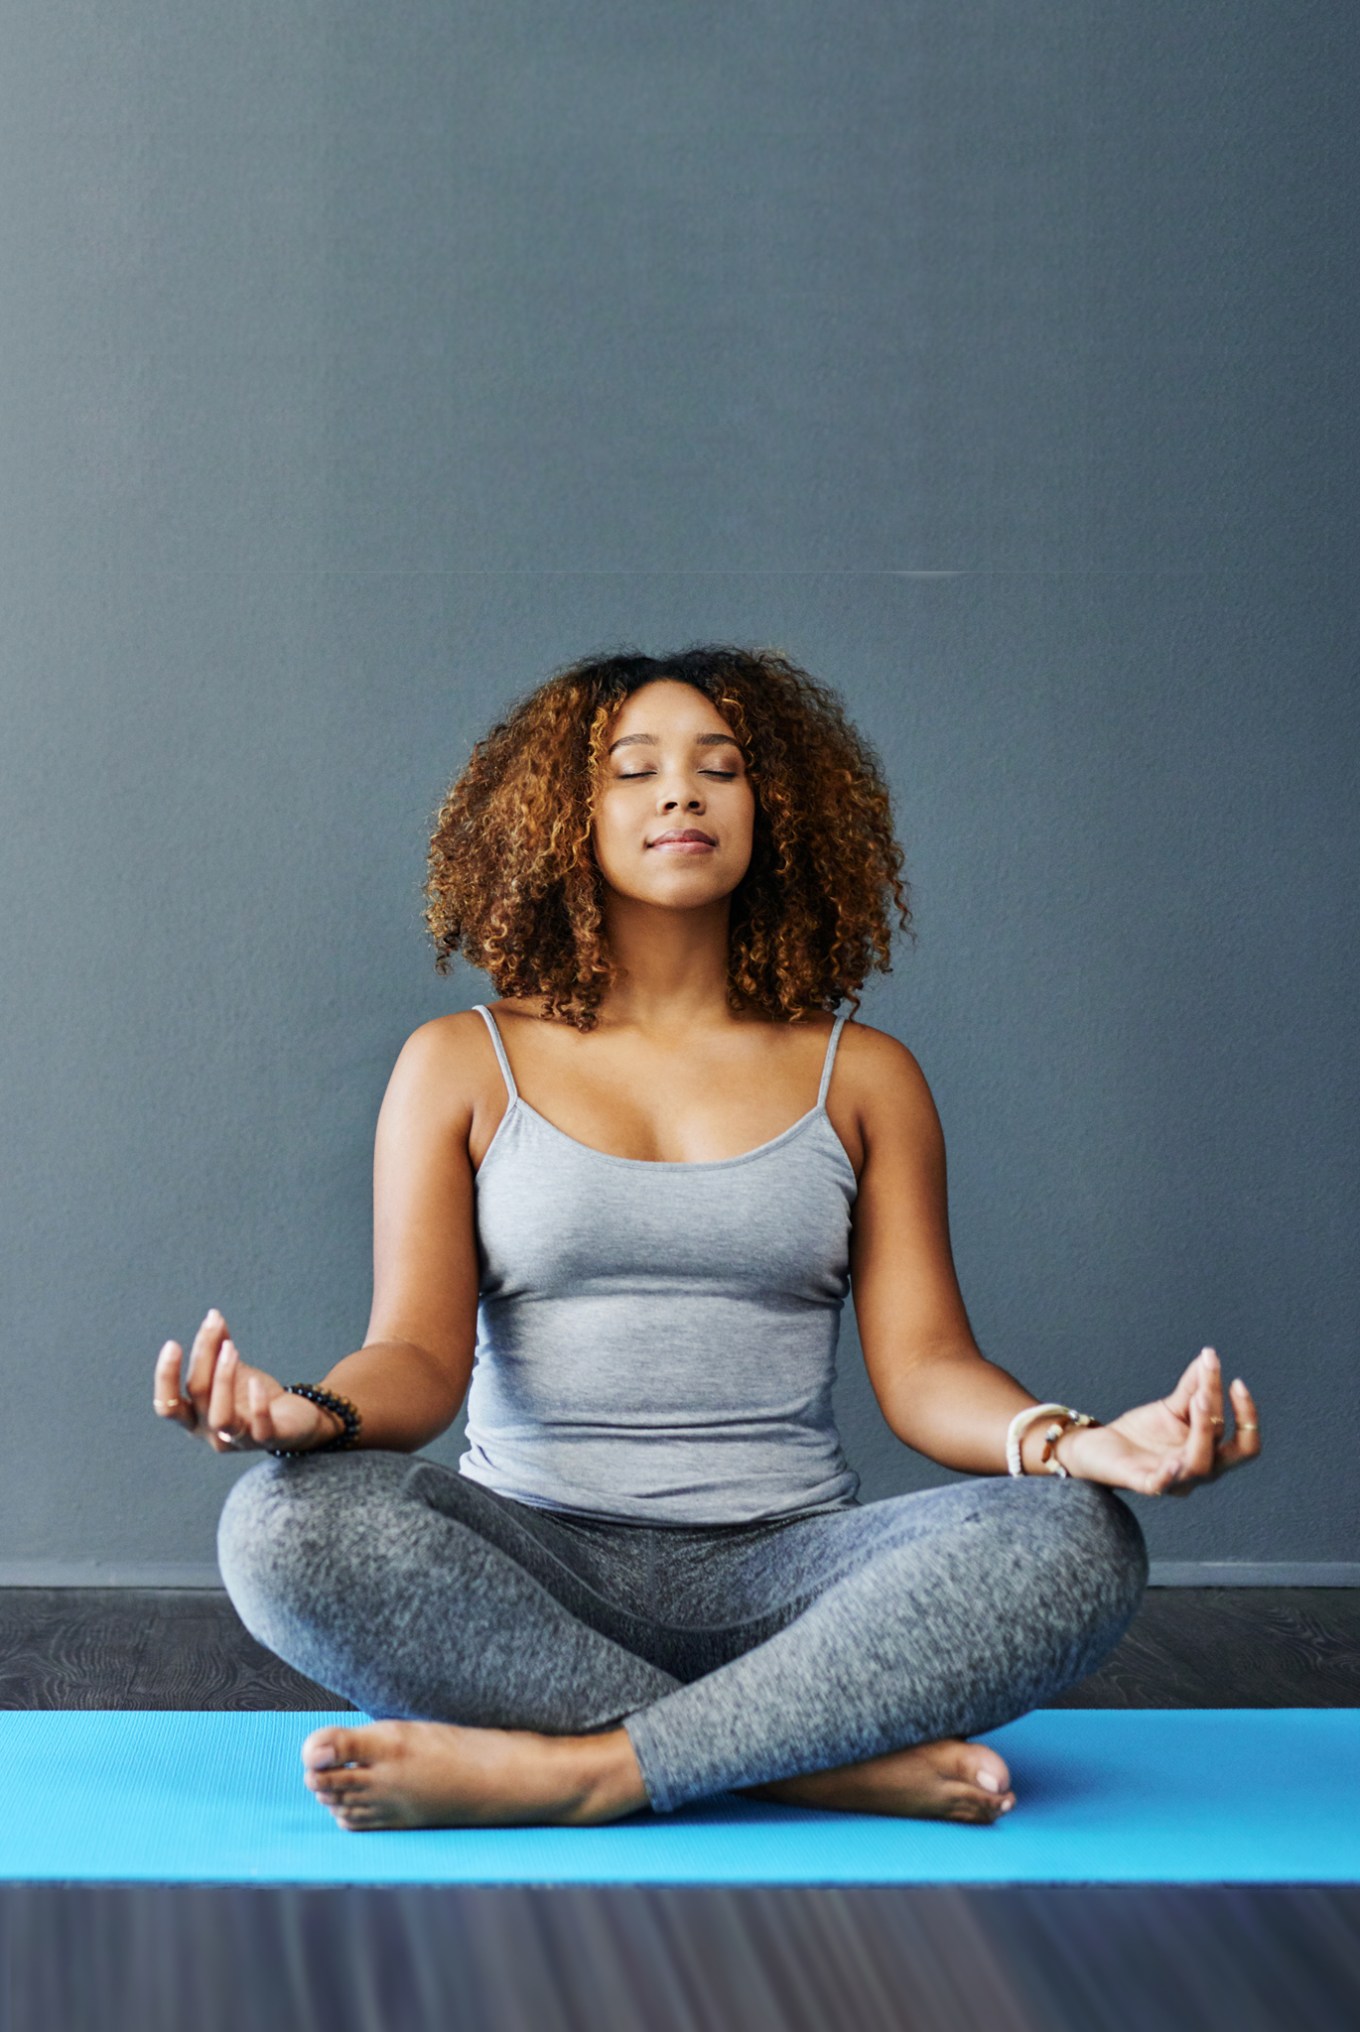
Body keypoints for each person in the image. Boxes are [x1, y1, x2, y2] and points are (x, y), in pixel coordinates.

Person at [152, 646, 1261, 1833]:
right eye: (633, 771)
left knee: (1078, 1541)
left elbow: (928, 1369)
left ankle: (585, 1773)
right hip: (536, 1569)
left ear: (772, 813)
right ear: (557, 821)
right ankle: (805, 1758)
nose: (680, 793)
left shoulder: (865, 1076)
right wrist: (306, 1416)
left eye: (718, 769)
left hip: (792, 1577)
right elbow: (419, 1363)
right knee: (282, 1525)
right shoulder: (459, 1063)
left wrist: (1075, 1445)